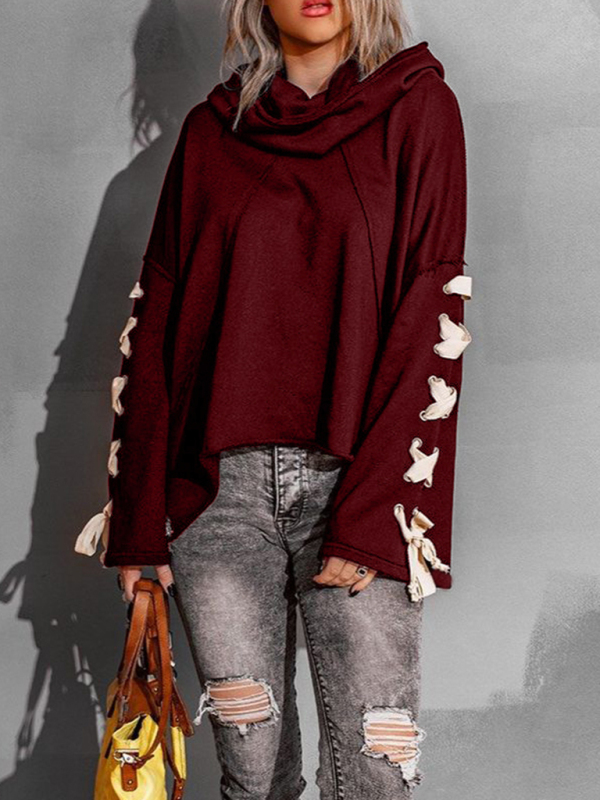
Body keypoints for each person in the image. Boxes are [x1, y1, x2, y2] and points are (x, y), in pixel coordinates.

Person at [75, 0, 472, 796]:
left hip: (356, 485)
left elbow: (431, 313)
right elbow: (157, 323)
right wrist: (139, 519)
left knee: (374, 777)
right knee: (251, 778)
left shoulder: (419, 108)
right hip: (215, 501)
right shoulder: (210, 134)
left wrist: (373, 514)